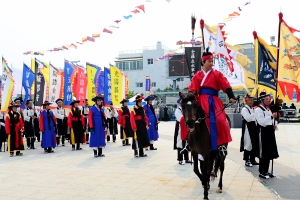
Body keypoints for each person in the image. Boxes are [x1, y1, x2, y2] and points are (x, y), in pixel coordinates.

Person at [188, 49, 236, 151]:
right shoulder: (197, 75)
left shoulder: (217, 74)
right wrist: (190, 96)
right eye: (209, 61)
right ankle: (189, 144)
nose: (211, 63)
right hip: (200, 102)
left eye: (212, 61)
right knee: (188, 120)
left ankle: (222, 144)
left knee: (220, 121)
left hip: (213, 102)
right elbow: (192, 89)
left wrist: (231, 96)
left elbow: (225, 85)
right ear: (203, 62)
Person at [255, 92, 279, 179]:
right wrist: (271, 117)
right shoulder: (258, 110)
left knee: (269, 152)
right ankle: (262, 171)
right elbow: (262, 122)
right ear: (261, 100)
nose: (268, 101)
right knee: (263, 153)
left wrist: (274, 124)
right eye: (266, 99)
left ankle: (266, 171)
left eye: (268, 99)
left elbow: (271, 121)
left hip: (269, 133)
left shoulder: (268, 110)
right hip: (263, 133)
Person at [240, 94, 259, 167]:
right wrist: (256, 115)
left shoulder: (254, 109)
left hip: (254, 128)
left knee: (254, 143)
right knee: (248, 144)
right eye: (249, 100)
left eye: (252, 100)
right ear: (246, 101)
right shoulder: (244, 109)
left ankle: (252, 159)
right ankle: (246, 160)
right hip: (247, 129)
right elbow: (248, 118)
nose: (251, 101)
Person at [174, 99, 192, 165]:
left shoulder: (186, 110)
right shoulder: (178, 110)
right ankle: (180, 159)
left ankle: (186, 158)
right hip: (180, 128)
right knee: (180, 143)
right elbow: (180, 118)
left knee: (187, 142)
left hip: (186, 127)